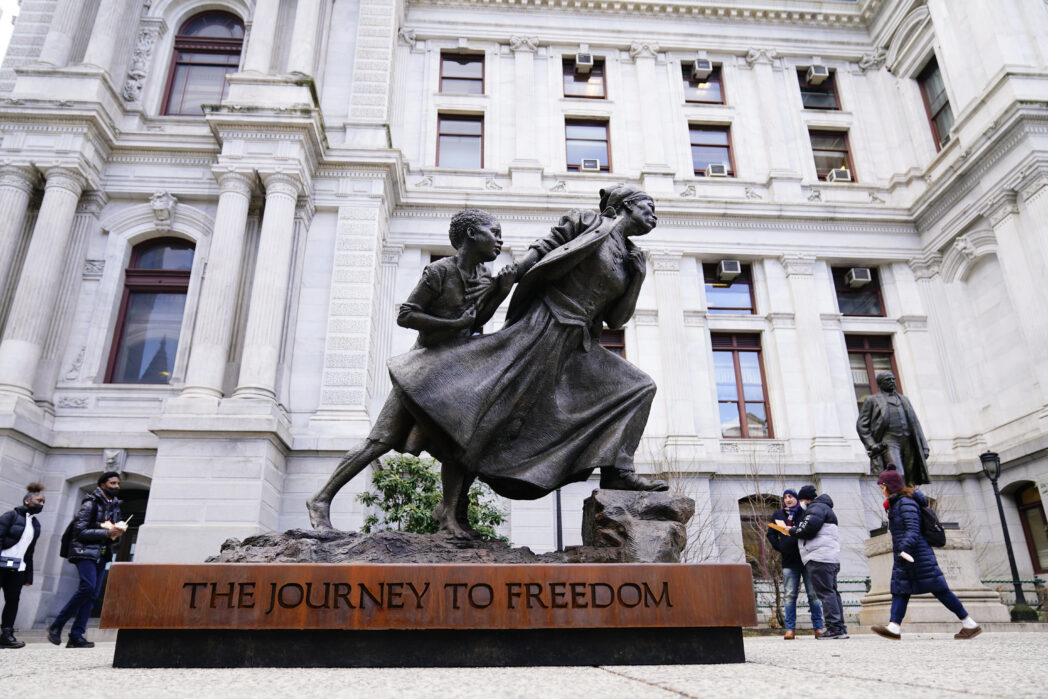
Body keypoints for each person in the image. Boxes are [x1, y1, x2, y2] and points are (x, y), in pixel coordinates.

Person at [387, 185, 668, 500]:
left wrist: (639, 276)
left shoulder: (631, 258)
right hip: (544, 327)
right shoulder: (588, 221)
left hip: (579, 345)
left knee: (638, 387)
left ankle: (618, 472)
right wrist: (502, 282)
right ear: (628, 205)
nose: (654, 214)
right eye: (649, 206)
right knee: (497, 412)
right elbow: (543, 249)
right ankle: (453, 507)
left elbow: (617, 320)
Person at [307, 208, 516, 537]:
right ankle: (320, 499)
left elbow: (475, 321)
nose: (500, 239)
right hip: (420, 371)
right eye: (494, 230)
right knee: (380, 441)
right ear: (472, 235)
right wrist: (451, 324)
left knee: (459, 446)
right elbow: (406, 315)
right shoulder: (438, 272)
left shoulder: (483, 278)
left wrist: (501, 291)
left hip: (454, 373)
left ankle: (448, 515)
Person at [871, 464, 981, 640]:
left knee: (939, 589)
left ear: (890, 487)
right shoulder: (897, 503)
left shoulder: (905, 503)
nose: (882, 491)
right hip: (908, 554)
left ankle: (969, 623)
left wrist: (904, 548)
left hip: (916, 554)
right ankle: (894, 627)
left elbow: (913, 529)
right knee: (900, 589)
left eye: (883, 487)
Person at [48, 472, 122, 648]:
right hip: (84, 551)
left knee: (92, 595)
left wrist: (116, 534)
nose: (116, 486)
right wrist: (106, 533)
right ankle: (57, 625)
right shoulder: (90, 504)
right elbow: (79, 532)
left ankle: (76, 635)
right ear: (103, 485)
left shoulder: (115, 506)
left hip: (101, 553)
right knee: (87, 587)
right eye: (113, 483)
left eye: (118, 483)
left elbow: (111, 534)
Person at [790, 484, 848, 639]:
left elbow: (807, 530)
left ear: (805, 499)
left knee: (826, 593)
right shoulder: (825, 508)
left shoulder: (815, 509)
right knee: (832, 592)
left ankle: (834, 628)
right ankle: (840, 627)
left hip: (819, 557)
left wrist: (791, 530)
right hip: (829, 557)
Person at [767, 488, 824, 639]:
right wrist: (780, 547)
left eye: (791, 496)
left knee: (813, 595)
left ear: (797, 499)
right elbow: (771, 534)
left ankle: (818, 627)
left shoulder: (805, 513)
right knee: (790, 595)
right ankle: (790, 629)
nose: (788, 499)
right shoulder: (778, 515)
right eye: (785, 497)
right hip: (789, 561)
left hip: (806, 559)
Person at [856, 371, 930, 485]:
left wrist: (924, 446)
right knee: (898, 474)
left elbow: (915, 424)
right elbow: (861, 425)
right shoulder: (872, 400)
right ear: (880, 383)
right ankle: (898, 499)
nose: (892, 382)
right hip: (889, 441)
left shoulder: (904, 399)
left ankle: (908, 498)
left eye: (893, 379)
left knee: (910, 475)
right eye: (888, 380)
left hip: (908, 441)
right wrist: (872, 444)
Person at [0, 483, 44, 649]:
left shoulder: (36, 524)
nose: (42, 504)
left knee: (13, 601)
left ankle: (6, 635)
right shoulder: (10, 516)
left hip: (18, 568)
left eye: (43, 502)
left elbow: (29, 552)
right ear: (27, 501)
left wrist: (28, 575)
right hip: (1, 564)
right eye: (39, 501)